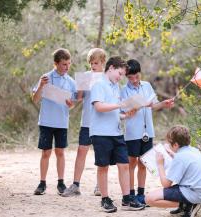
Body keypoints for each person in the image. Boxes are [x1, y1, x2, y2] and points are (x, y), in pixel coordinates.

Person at [90, 56, 145, 213]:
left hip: (116, 132)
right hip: (101, 133)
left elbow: (115, 112)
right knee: (103, 166)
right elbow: (99, 107)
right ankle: (105, 199)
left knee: (124, 165)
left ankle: (127, 199)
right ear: (111, 68)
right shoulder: (99, 84)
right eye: (119, 74)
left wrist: (126, 115)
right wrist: (119, 105)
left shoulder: (115, 87)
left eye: (122, 75)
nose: (121, 78)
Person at [120, 59, 174, 204]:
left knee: (143, 162)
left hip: (147, 132)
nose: (134, 80)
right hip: (132, 132)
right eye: (130, 78)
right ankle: (130, 194)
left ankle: (140, 194)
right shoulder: (123, 90)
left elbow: (153, 105)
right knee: (131, 162)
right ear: (126, 77)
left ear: (140, 73)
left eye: (136, 76)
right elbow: (122, 111)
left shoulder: (147, 86)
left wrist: (163, 104)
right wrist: (134, 108)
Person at [62, 48, 106, 197]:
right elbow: (79, 98)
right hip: (87, 122)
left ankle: (100, 186)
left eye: (96, 63)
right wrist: (76, 95)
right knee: (81, 151)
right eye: (91, 63)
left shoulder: (108, 78)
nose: (93, 66)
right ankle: (76, 185)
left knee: (101, 155)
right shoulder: (86, 76)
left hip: (102, 123)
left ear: (103, 62)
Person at [32, 48, 77, 195]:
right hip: (46, 121)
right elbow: (35, 99)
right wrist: (40, 86)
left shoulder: (71, 81)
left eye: (69, 64)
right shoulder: (45, 78)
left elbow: (73, 101)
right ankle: (42, 183)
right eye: (64, 64)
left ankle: (61, 183)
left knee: (60, 152)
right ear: (56, 64)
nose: (67, 67)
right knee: (46, 152)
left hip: (61, 123)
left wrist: (71, 104)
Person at [145, 125, 201, 217]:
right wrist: (172, 153)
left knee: (149, 199)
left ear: (176, 144)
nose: (168, 145)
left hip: (194, 194)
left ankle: (188, 204)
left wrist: (160, 164)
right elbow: (185, 161)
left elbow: (166, 184)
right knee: (177, 186)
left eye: (169, 143)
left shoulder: (180, 157)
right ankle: (186, 206)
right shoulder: (194, 150)